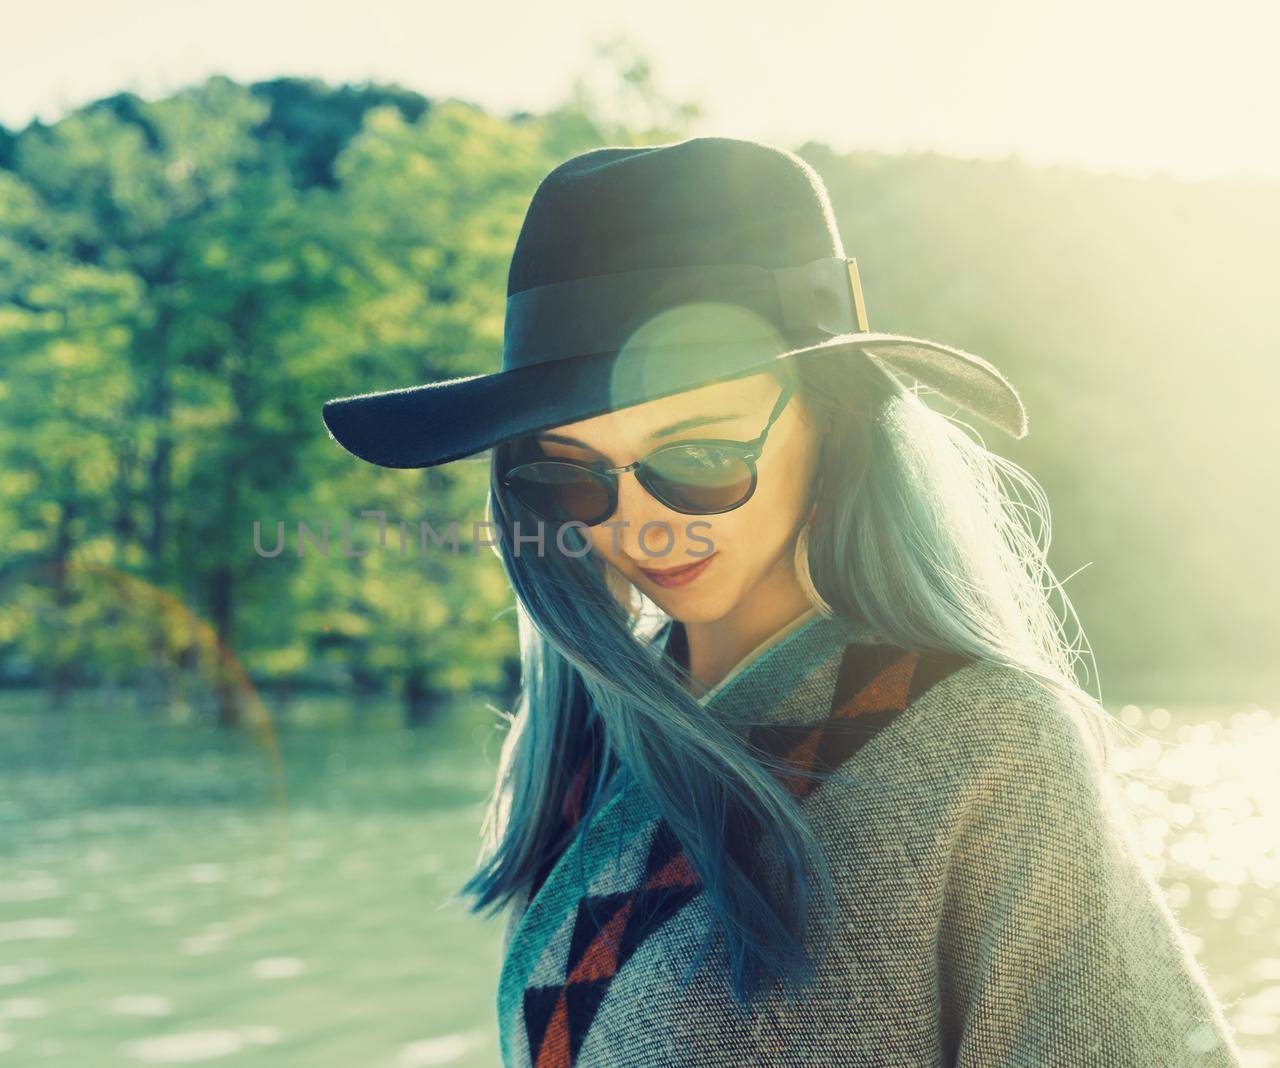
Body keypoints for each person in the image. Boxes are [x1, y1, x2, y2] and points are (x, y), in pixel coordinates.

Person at [320, 137, 1244, 1066]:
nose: (638, 525)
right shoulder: (596, 740)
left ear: (834, 422)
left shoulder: (988, 744)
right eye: (572, 478)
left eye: (700, 458)